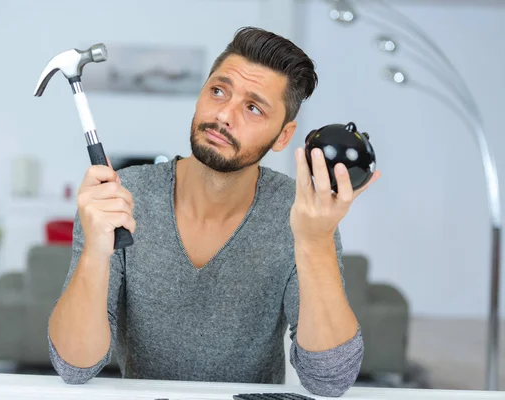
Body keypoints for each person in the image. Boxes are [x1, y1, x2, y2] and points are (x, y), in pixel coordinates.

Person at [47, 26, 381, 398]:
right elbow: (74, 367)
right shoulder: (121, 197)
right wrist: (96, 251)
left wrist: (315, 242)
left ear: (283, 136)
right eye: (218, 91)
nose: (224, 114)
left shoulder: (302, 214)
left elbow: (329, 380)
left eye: (253, 108)